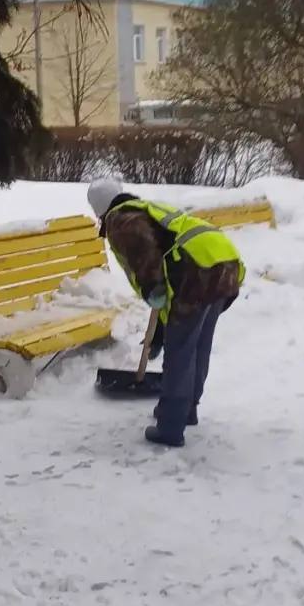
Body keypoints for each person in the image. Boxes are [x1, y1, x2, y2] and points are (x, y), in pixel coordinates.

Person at [87, 177, 243, 447]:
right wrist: (160, 323)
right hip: (223, 265)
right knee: (196, 345)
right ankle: (187, 410)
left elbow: (146, 256)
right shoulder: (144, 208)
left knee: (180, 352)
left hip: (197, 274)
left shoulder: (122, 220)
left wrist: (153, 289)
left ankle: (170, 427)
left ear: (98, 208)